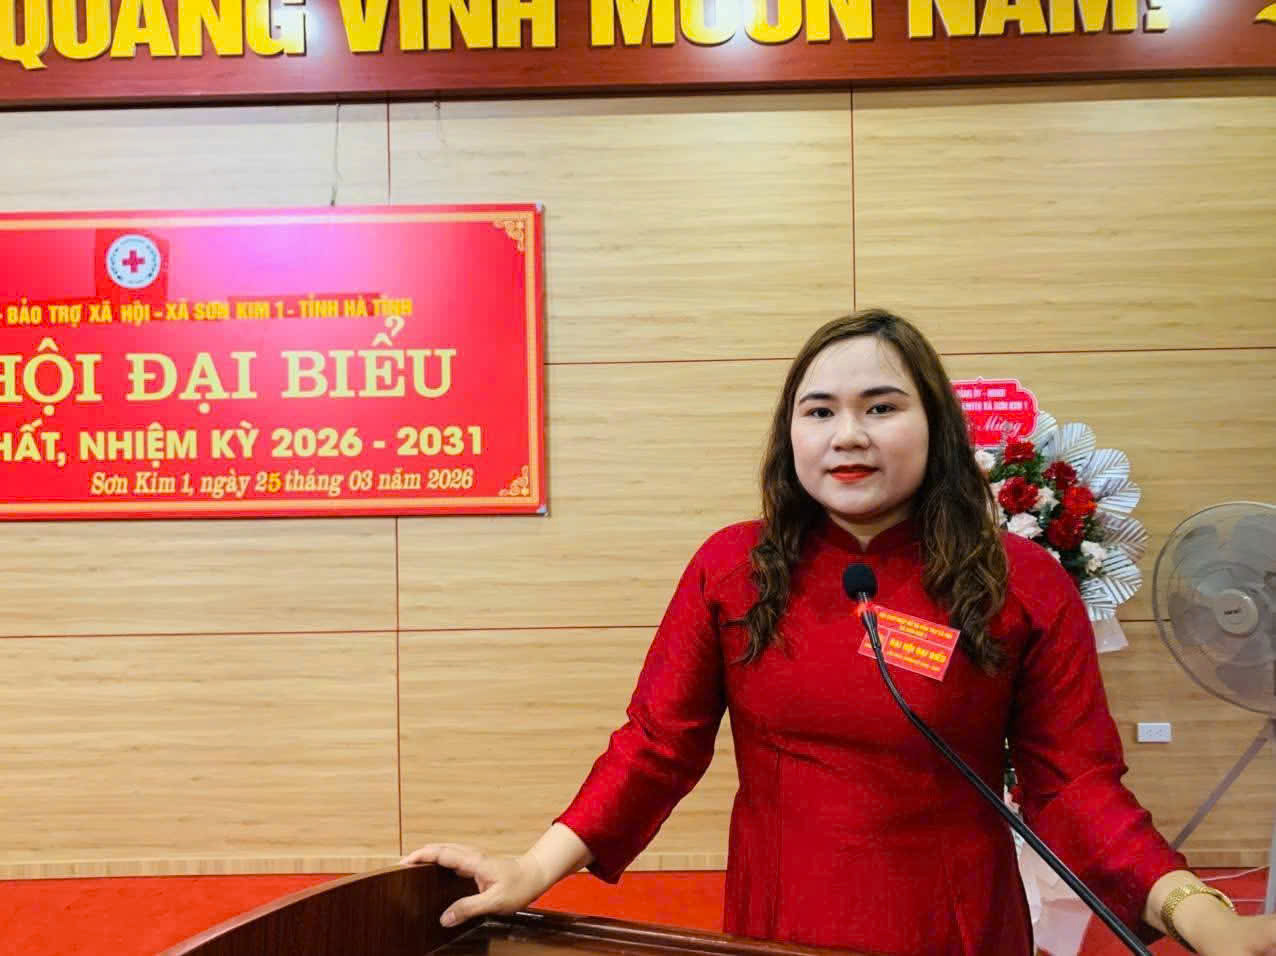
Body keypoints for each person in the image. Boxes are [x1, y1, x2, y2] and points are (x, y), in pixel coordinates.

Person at [404, 310, 1276, 955]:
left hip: (957, 924)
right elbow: (655, 749)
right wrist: (532, 869)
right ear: (790, 433)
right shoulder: (732, 567)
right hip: (782, 921)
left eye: (881, 407)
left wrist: (1195, 910)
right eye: (819, 411)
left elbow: (1075, 785)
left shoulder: (1020, 581)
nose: (847, 435)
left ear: (935, 424)